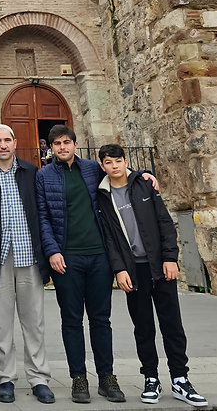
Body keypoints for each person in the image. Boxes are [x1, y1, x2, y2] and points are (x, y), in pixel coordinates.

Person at [95, 144, 207, 407]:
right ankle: (151, 378)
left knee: (172, 324)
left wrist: (170, 258)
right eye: (108, 162)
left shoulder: (144, 185)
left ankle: (180, 379)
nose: (114, 166)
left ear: (126, 162)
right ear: (102, 166)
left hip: (160, 265)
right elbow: (109, 238)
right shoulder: (101, 195)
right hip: (134, 271)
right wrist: (119, 269)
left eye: (118, 161)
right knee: (143, 327)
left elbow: (164, 223)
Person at [36, 124, 125, 404]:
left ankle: (107, 377)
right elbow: (42, 216)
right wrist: (52, 251)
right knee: (72, 320)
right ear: (51, 148)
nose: (62, 147)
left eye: (66, 142)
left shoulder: (92, 169)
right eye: (57, 144)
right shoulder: (43, 176)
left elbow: (120, 175)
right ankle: (78, 378)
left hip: (99, 256)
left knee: (101, 319)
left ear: (75, 144)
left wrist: (145, 175)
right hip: (67, 258)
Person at [0, 124, 54, 404]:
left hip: (29, 254)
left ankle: (39, 378)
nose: (3, 145)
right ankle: (5, 377)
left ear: (15, 143)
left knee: (34, 321)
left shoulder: (32, 172)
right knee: (1, 322)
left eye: (7, 140)